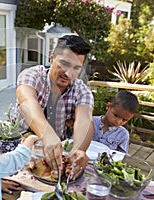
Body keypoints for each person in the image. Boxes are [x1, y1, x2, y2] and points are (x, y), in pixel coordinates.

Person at [12, 34, 94, 181]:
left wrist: (78, 149)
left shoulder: (82, 91)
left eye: (76, 68)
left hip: (55, 158)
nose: (68, 73)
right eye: (64, 64)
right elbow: (26, 101)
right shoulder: (32, 75)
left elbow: (85, 120)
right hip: (18, 150)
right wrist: (47, 134)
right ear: (52, 58)